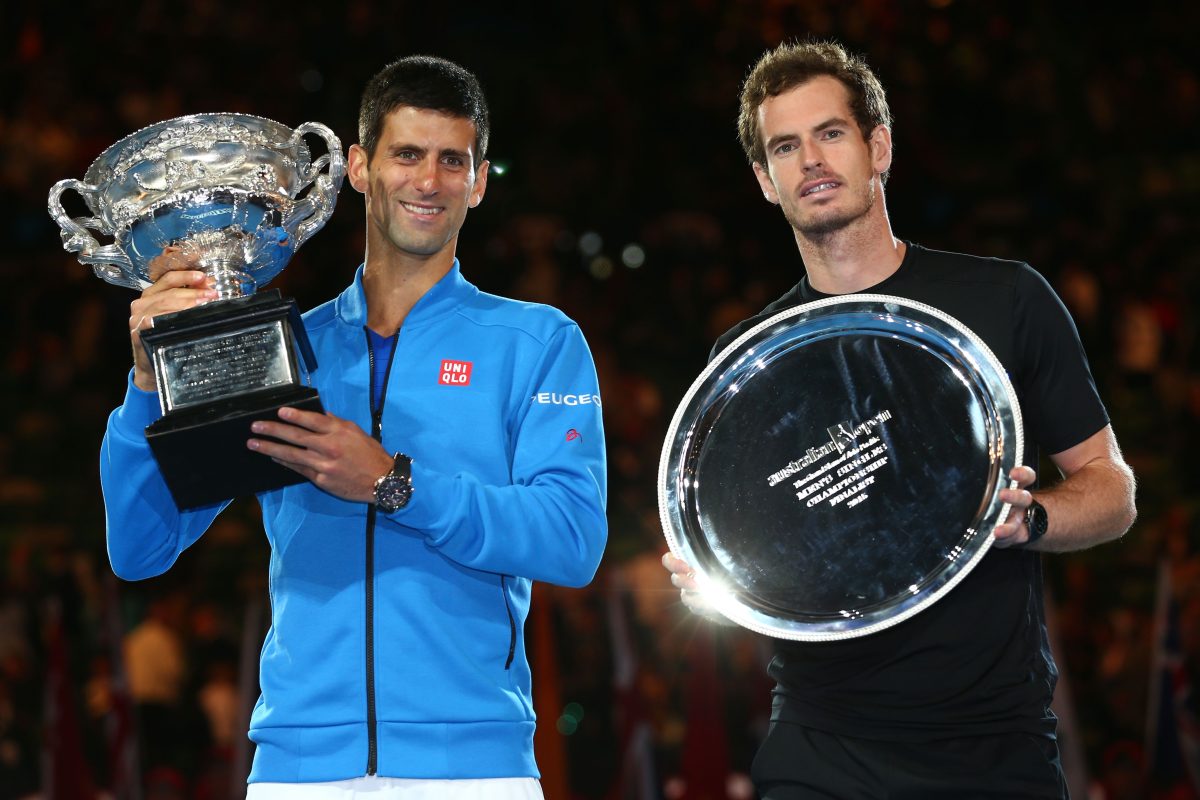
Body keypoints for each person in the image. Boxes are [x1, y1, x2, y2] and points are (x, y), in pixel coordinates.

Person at [102, 55, 608, 799]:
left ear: (478, 179)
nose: (428, 182)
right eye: (407, 155)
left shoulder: (536, 342)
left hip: (473, 769)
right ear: (361, 167)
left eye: (451, 160)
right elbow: (140, 550)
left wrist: (395, 484)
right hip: (298, 768)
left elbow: (571, 540)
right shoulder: (284, 351)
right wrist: (148, 383)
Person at [661, 40, 1136, 798]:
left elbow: (1112, 492)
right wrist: (715, 575)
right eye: (786, 146)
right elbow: (758, 545)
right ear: (764, 181)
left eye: (832, 133)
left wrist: (1030, 520)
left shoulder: (1005, 301)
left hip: (989, 739)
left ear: (878, 146)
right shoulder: (747, 362)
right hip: (819, 741)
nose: (811, 160)